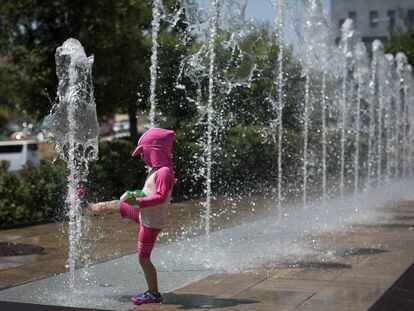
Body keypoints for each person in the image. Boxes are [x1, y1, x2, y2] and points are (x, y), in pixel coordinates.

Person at [87, 127, 175, 305]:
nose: (143, 157)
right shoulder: (155, 170)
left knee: (143, 258)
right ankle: (85, 207)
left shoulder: (164, 172)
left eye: (144, 152)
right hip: (143, 213)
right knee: (115, 204)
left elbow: (161, 197)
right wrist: (138, 195)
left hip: (151, 223)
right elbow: (150, 192)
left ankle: (153, 293)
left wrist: (139, 201)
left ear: (155, 150)